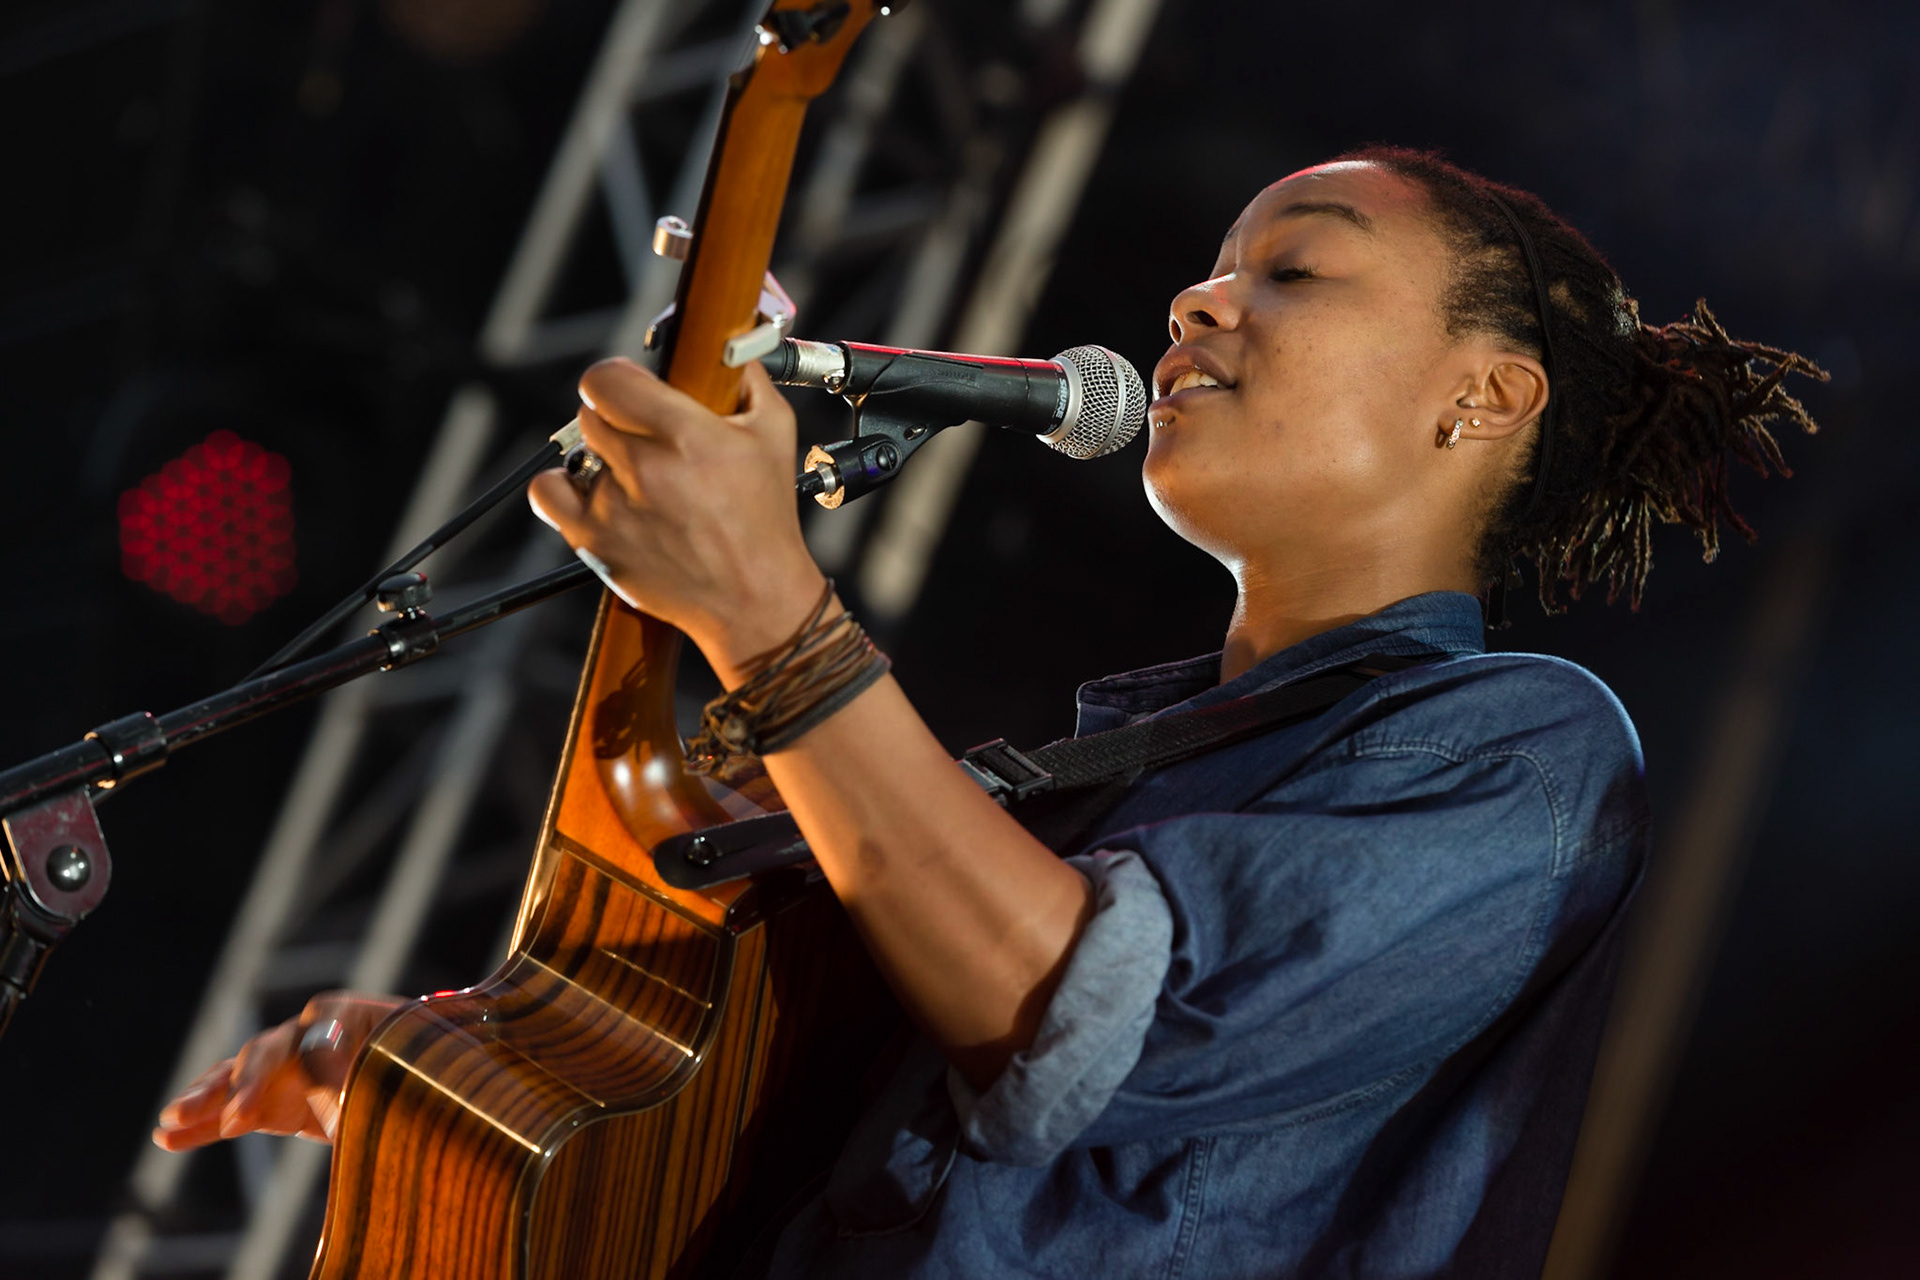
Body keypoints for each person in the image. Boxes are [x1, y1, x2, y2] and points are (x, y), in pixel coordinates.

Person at [153, 148, 1822, 1276]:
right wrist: (455, 1069)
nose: (1196, 304)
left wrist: (761, 604)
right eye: (1212, 271)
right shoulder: (1102, 777)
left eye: (1297, 272)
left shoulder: (1531, 751)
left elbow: (1066, 1026)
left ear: (1486, 396)